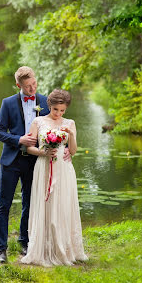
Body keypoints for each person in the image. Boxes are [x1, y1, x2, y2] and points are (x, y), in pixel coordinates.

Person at [0, 66, 71, 263]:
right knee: (4, 204)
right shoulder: (8, 103)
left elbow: (59, 123)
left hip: (36, 161)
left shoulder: (46, 101)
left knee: (30, 203)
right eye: (28, 86)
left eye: (34, 84)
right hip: (11, 160)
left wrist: (67, 147)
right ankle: (1, 248)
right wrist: (18, 139)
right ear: (18, 85)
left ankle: (25, 242)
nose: (32, 89)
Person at [20, 89, 88, 266]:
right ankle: (44, 248)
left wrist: (71, 136)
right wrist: (43, 152)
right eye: (56, 109)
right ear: (49, 105)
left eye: (62, 110)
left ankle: (63, 248)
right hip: (44, 167)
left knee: (63, 205)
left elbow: (72, 151)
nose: (58, 114)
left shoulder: (70, 123)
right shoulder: (38, 121)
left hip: (64, 169)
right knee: (46, 205)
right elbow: (29, 148)